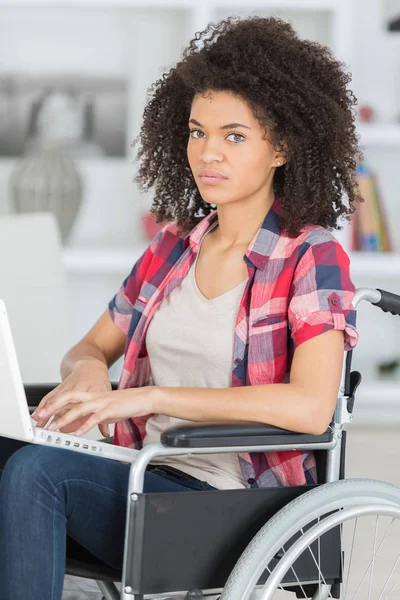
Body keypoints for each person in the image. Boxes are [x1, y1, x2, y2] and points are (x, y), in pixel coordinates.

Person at [0, 15, 361, 599]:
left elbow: (311, 407)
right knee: (11, 456)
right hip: (145, 481)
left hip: (236, 504)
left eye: (234, 136)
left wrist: (150, 397)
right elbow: (90, 346)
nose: (208, 153)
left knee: (39, 475)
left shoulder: (310, 256)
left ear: (283, 148)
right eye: (197, 132)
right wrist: (91, 373)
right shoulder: (172, 246)